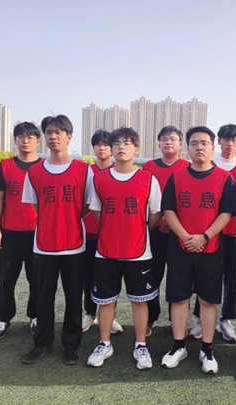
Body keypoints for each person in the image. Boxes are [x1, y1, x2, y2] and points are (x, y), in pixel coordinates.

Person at [160, 126, 236, 374]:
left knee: (208, 300)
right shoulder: (176, 177)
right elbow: (168, 210)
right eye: (194, 143)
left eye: (204, 143)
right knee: (179, 298)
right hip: (180, 248)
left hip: (211, 249)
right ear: (188, 148)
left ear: (212, 147)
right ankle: (178, 345)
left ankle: (207, 348)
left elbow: (226, 213)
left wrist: (204, 237)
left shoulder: (225, 178)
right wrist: (185, 237)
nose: (199, 147)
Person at [87, 127, 162, 370]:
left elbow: (155, 215)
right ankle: (104, 343)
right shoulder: (99, 179)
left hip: (139, 252)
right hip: (106, 251)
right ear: (111, 148)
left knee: (139, 301)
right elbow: (97, 212)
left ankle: (140, 344)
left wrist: (135, 229)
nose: (121, 147)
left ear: (136, 149)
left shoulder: (148, 179)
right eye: (117, 143)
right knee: (106, 301)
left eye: (127, 143)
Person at [21, 115, 93, 365]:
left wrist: (68, 219)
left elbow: (87, 205)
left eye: (58, 132)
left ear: (69, 137)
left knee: (74, 297)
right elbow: (35, 205)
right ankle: (42, 342)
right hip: (44, 245)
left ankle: (71, 345)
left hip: (74, 245)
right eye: (49, 132)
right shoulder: (34, 172)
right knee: (43, 297)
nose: (53, 137)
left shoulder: (84, 170)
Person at [189, 124, 236, 343]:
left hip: (233, 233)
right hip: (208, 233)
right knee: (204, 277)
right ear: (219, 142)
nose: (230, 144)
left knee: (230, 279)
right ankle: (201, 320)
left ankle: (226, 319)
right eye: (226, 139)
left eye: (234, 140)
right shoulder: (208, 165)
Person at [0, 122, 42, 341]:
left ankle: (35, 316)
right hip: (9, 233)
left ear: (38, 141)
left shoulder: (44, 167)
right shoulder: (4, 166)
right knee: (6, 279)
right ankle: (4, 318)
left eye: (30, 137)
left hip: (37, 235)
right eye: (20, 137)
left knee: (36, 279)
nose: (25, 141)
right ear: (15, 140)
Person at [142, 125, 189, 336]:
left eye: (172, 139)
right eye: (164, 139)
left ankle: (175, 321)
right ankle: (150, 318)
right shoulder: (148, 167)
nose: (168, 142)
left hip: (180, 231)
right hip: (154, 230)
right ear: (159, 144)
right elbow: (144, 197)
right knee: (152, 274)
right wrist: (159, 219)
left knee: (178, 276)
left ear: (180, 144)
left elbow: (187, 200)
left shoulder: (188, 167)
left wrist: (170, 221)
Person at [81, 130, 123, 335]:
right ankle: (89, 313)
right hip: (89, 234)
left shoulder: (120, 171)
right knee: (88, 277)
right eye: (98, 144)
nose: (102, 148)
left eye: (106, 144)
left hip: (112, 236)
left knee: (110, 278)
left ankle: (110, 316)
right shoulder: (86, 171)